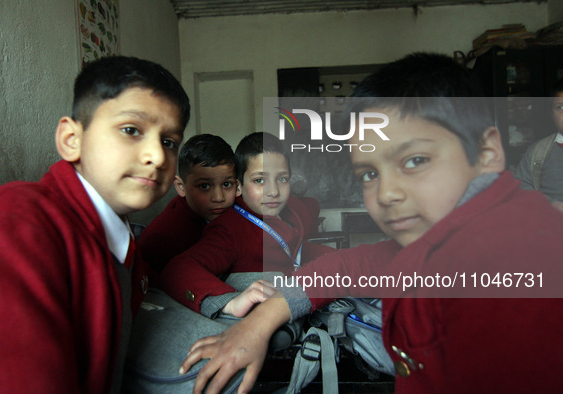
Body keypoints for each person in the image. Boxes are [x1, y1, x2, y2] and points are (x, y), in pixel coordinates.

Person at [179, 53, 563, 394]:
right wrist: (259, 321)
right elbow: (355, 265)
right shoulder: (445, 237)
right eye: (368, 174)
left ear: (487, 151)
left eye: (414, 161)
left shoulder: (517, 268)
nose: (386, 194)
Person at [0, 56, 190, 393]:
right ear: (71, 139)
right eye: (131, 130)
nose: (157, 157)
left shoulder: (120, 237)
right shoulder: (11, 225)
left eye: (169, 141)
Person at [160, 132, 333, 319]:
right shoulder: (229, 229)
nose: (273, 192)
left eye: (282, 179)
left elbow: (304, 222)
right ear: (239, 186)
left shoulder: (292, 210)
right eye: (260, 180)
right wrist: (229, 302)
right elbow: (178, 269)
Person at [138, 133, 238, 273]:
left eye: (227, 184)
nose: (218, 197)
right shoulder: (160, 239)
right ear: (181, 187)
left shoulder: (240, 209)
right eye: (204, 186)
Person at [514, 78, 563, 212]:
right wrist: (552, 204)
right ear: (551, 113)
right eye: (561, 107)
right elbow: (519, 189)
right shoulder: (538, 152)